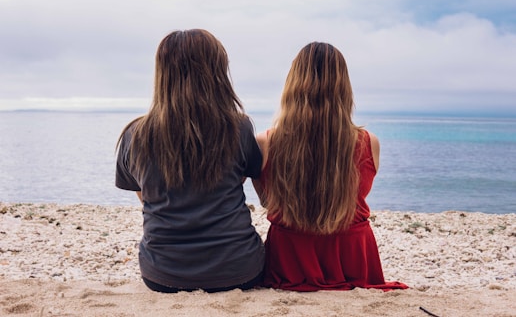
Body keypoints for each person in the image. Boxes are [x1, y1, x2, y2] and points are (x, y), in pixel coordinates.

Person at [116, 29, 265, 293]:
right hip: (239, 270)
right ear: (216, 73)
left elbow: (146, 196)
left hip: (162, 274)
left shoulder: (134, 135)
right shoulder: (239, 129)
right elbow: (241, 179)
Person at [253, 42, 408, 292]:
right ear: (344, 88)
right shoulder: (369, 143)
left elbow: (266, 202)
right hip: (352, 255)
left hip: (290, 256)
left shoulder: (265, 143)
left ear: (292, 85)